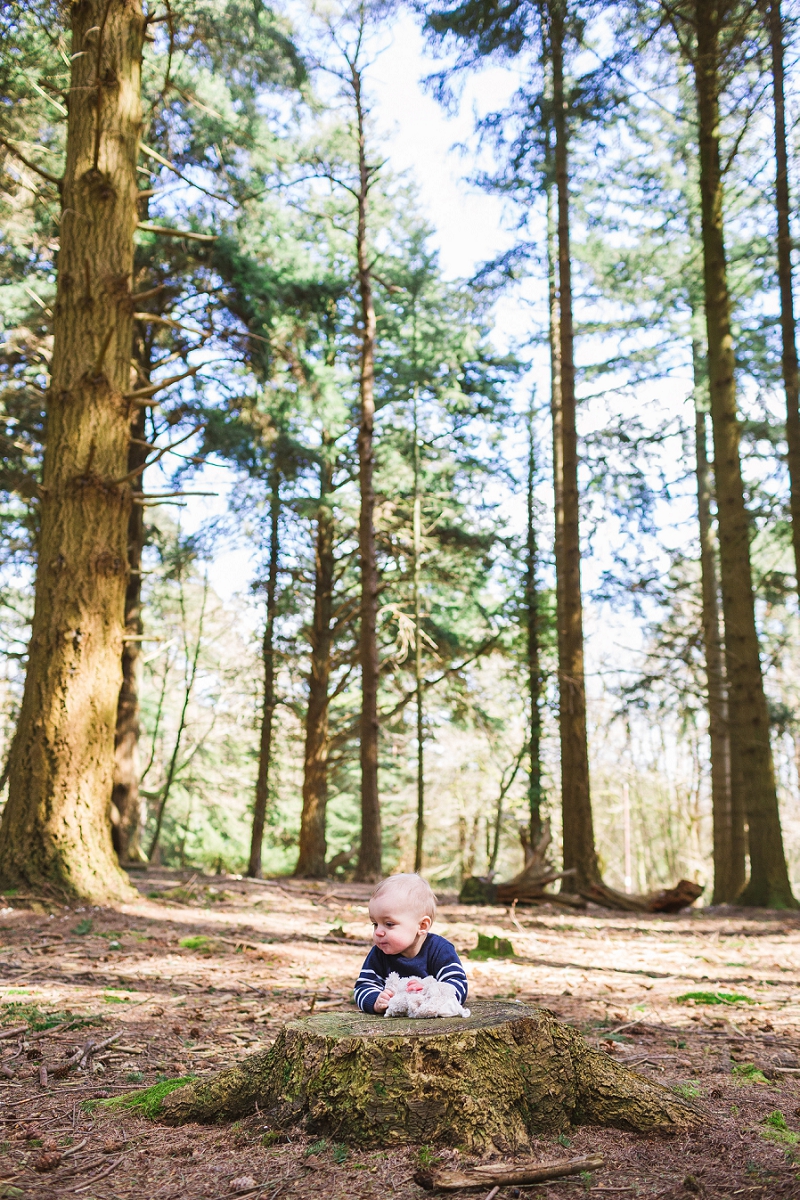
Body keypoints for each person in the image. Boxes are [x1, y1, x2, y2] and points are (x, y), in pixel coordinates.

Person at [354, 873, 468, 1014]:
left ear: (422, 926)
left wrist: (428, 991)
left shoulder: (440, 950)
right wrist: (375, 1000)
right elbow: (362, 986)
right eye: (375, 924)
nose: (378, 932)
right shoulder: (379, 954)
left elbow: (458, 985)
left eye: (389, 924)